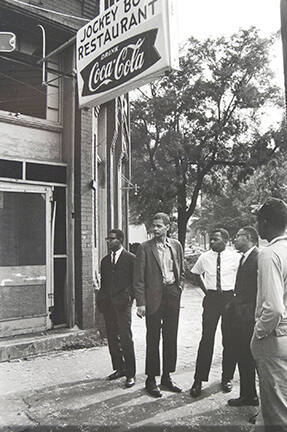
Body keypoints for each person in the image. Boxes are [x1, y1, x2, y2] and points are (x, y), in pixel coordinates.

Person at [133, 213, 184, 397]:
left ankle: (167, 377)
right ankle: (151, 379)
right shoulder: (144, 248)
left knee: (171, 337)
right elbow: (138, 278)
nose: (154, 229)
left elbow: (181, 268)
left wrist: (179, 287)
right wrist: (141, 303)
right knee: (153, 338)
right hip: (153, 298)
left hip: (172, 294)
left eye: (159, 226)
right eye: (153, 226)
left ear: (167, 227)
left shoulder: (176, 245)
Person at [190, 228, 240, 398]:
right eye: (211, 239)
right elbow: (195, 275)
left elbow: (242, 277)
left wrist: (235, 295)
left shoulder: (236, 257)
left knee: (230, 339)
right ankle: (198, 380)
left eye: (215, 239)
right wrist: (206, 291)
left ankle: (227, 377)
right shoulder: (204, 257)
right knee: (207, 339)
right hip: (211, 299)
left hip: (229, 299)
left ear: (225, 240)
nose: (211, 242)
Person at [251, 197, 287, 431]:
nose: (256, 226)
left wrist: (258, 333)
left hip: (275, 338)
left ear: (265, 222)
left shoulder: (269, 253)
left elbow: (273, 308)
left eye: (258, 220)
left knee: (277, 416)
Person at [96, 229, 136, 388]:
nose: (108, 241)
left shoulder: (131, 259)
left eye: (111, 239)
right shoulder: (105, 261)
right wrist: (102, 299)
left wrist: (129, 297)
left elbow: (136, 282)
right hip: (108, 305)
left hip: (123, 304)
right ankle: (119, 368)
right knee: (112, 337)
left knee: (126, 337)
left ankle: (131, 373)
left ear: (120, 240)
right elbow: (104, 283)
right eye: (107, 239)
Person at [227, 226, 259, 407]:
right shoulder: (244, 258)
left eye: (238, 236)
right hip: (240, 317)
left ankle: (258, 400)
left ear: (248, 237)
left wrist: (249, 313)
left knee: (252, 359)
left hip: (249, 318)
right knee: (243, 356)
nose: (235, 239)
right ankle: (248, 395)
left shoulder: (258, 258)